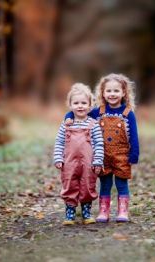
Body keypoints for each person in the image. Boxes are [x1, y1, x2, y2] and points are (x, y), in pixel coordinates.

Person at [64, 73, 139, 222]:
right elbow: (78, 111)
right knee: (105, 183)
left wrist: (134, 154)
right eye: (109, 91)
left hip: (122, 155)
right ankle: (104, 211)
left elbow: (134, 136)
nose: (112, 94)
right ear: (103, 93)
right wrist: (69, 116)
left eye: (116, 91)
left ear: (124, 93)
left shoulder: (128, 113)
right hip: (102, 155)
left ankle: (122, 211)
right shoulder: (98, 112)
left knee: (121, 183)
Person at [53, 83, 104, 225]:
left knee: (88, 185)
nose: (80, 106)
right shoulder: (66, 124)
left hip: (88, 163)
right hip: (69, 162)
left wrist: (98, 161)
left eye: (83, 103)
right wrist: (58, 157)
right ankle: (70, 212)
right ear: (70, 105)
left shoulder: (94, 124)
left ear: (90, 105)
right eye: (76, 103)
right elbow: (59, 142)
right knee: (69, 184)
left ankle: (86, 211)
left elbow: (99, 144)